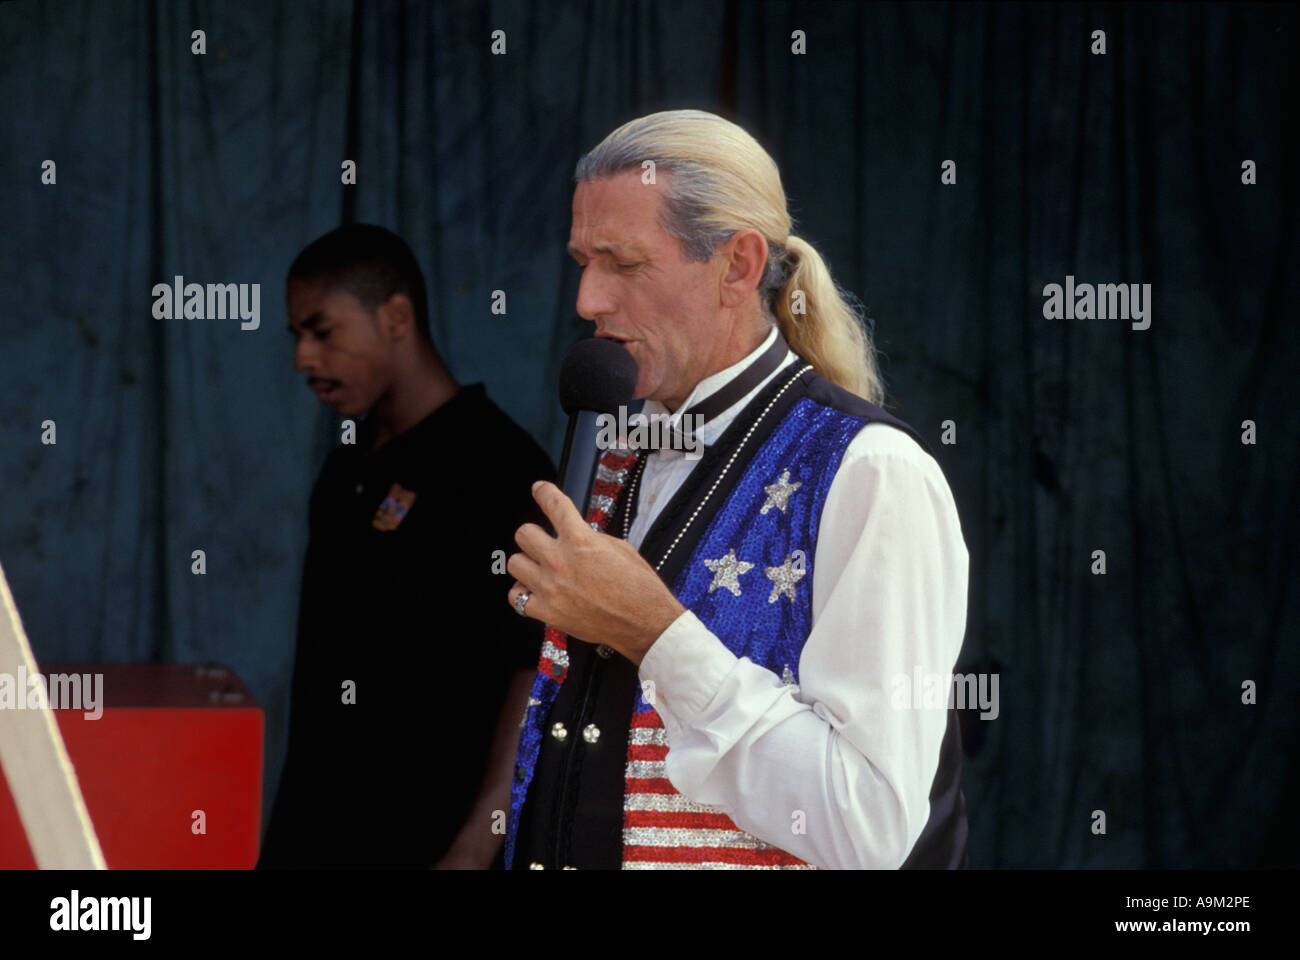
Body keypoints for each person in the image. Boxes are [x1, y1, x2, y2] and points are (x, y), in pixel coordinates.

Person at [502, 110, 970, 869]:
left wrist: (658, 635)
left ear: (738, 266)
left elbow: (870, 829)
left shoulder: (873, 472)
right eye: (583, 261)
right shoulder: (618, 446)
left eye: (623, 263)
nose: (588, 300)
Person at [258, 224, 553, 869]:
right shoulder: (347, 470)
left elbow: (532, 673)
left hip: (431, 845)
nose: (304, 359)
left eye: (323, 331)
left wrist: (471, 855)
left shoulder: (501, 469)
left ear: (396, 316)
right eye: (297, 338)